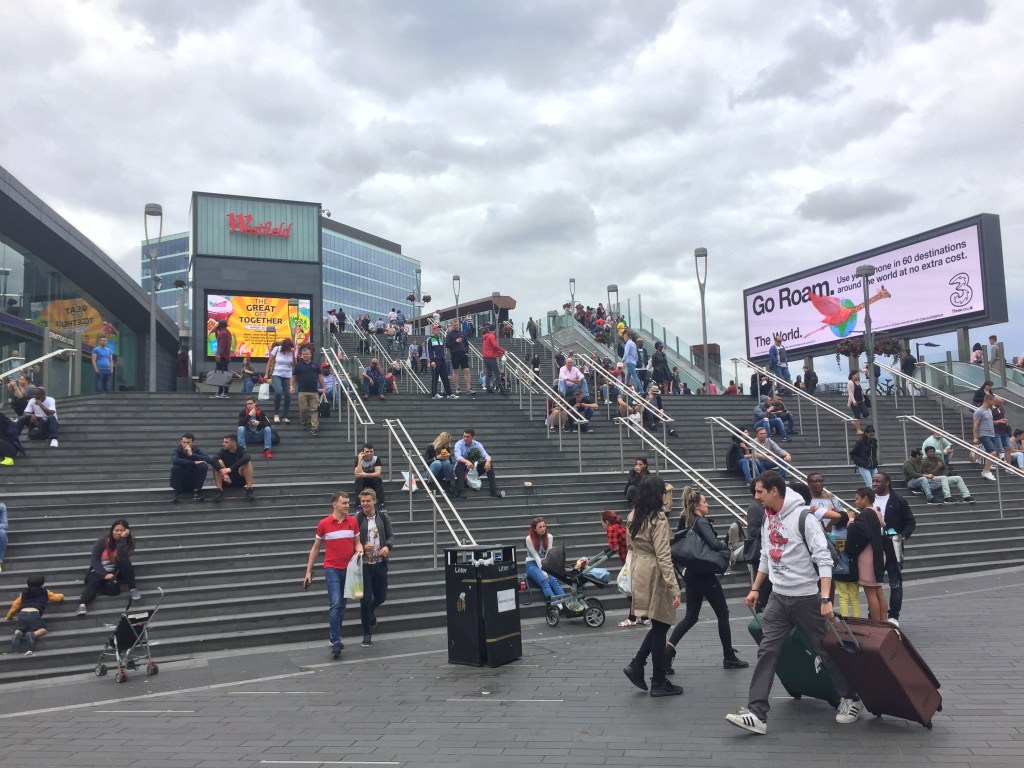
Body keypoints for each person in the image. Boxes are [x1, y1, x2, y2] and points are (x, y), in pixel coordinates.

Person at [725, 471, 862, 734]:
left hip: (807, 598)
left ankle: (851, 697)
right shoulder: (768, 518)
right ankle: (757, 713)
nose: (756, 497)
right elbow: (766, 555)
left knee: (825, 650)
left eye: (760, 492)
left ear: (775, 490)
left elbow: (823, 557)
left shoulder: (803, 517)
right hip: (778, 596)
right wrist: (755, 588)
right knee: (767, 650)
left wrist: (825, 598)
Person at [665, 487, 748, 675]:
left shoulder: (685, 519)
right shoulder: (701, 521)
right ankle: (729, 656)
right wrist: (724, 547)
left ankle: (667, 653)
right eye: (704, 502)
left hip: (692, 573)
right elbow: (713, 543)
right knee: (722, 612)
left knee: (691, 617)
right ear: (696, 506)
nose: (707, 504)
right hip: (704, 574)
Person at [621, 475, 682, 697]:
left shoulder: (633, 515)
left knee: (658, 623)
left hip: (640, 567)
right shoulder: (658, 519)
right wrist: (674, 587)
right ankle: (658, 680)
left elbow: (629, 544)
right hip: (655, 570)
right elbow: (664, 556)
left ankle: (637, 664)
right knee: (662, 623)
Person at [303, 492, 363, 659]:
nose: (347, 505)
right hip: (331, 568)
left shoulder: (353, 522)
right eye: (344, 503)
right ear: (334, 504)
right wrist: (308, 571)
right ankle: (335, 640)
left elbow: (357, 542)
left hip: (349, 568)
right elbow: (316, 547)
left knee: (342, 605)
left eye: (348, 503)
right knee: (335, 603)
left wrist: (359, 550)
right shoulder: (324, 524)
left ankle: (336, 635)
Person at [871, 471, 916, 627]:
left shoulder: (898, 500)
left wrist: (902, 537)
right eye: (873, 481)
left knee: (895, 582)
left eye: (878, 481)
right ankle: (874, 614)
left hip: (892, 545)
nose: (874, 484)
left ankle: (893, 616)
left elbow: (910, 522)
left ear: (887, 483)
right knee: (874, 583)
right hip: (875, 546)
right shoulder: (869, 500)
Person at [76, 519, 141, 616]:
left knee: (124, 561)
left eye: (122, 530)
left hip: (116, 570)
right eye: (116, 530)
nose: (119, 533)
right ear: (112, 530)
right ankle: (82, 604)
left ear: (127, 531)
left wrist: (123, 539)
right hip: (99, 569)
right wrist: (104, 574)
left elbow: (122, 555)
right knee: (94, 581)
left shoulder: (129, 541)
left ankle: (133, 589)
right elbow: (95, 560)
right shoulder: (102, 541)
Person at [355, 488, 394, 647]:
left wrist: (388, 547)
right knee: (364, 600)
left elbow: (391, 536)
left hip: (380, 563)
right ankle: (366, 633)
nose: (364, 504)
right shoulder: (356, 519)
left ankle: (370, 611)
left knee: (381, 597)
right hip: (363, 565)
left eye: (367, 501)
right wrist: (363, 547)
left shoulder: (383, 517)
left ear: (374, 501)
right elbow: (352, 540)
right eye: (362, 501)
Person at [847, 487, 888, 622]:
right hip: (878, 554)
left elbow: (856, 530)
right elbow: (883, 524)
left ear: (865, 498)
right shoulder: (876, 512)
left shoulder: (864, 515)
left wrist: (851, 519)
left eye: (857, 499)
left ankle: (876, 624)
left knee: (870, 593)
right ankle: (884, 622)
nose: (856, 502)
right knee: (878, 591)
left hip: (867, 556)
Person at [7, 574, 64, 655]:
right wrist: (62, 595)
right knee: (43, 630)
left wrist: (9, 616)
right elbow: (56, 598)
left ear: (27, 584)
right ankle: (32, 634)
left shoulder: (23, 593)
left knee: (20, 628)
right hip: (34, 613)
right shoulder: (45, 591)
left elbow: (15, 605)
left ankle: (17, 633)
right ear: (43, 584)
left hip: (22, 614)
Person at [453, 428, 505, 499]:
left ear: (472, 437)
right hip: (461, 469)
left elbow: (486, 455)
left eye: (468, 437)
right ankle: (461, 491)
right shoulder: (459, 444)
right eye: (464, 436)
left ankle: (494, 490)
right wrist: (466, 461)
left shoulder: (477, 444)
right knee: (461, 463)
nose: (465, 438)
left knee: (489, 464)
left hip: (473, 469)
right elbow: (457, 456)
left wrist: (488, 461)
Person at [523, 517, 566, 602]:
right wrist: (544, 572)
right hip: (532, 564)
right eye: (540, 527)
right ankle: (556, 604)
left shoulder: (549, 537)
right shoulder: (529, 539)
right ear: (535, 529)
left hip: (545, 562)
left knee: (554, 580)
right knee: (544, 581)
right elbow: (536, 556)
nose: (543, 529)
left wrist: (547, 570)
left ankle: (568, 603)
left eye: (544, 526)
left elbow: (548, 555)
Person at [291, 346, 326, 436]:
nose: (305, 355)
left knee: (314, 410)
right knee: (303, 409)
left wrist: (324, 387)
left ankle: (314, 428)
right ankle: (304, 422)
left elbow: (320, 376)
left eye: (307, 354)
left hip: (314, 391)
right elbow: (293, 376)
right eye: (303, 354)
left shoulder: (315, 365)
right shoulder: (298, 366)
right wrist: (291, 386)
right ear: (301, 356)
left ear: (310, 355)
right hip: (302, 391)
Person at [170, 432, 215, 502]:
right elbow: (174, 460)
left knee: (203, 466)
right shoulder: (176, 451)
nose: (186, 445)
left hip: (193, 482)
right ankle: (178, 493)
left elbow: (209, 459)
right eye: (184, 442)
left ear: (193, 443)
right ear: (181, 442)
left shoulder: (196, 450)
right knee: (176, 468)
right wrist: (193, 462)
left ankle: (196, 491)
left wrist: (192, 455)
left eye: (188, 443)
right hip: (180, 482)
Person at [830, 510, 858, 618]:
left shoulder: (831, 533)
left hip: (838, 569)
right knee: (854, 597)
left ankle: (845, 619)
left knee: (842, 596)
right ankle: (857, 619)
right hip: (852, 568)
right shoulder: (850, 532)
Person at [212, 434, 255, 502]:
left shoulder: (240, 449)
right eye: (223, 442)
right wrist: (224, 474)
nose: (223, 444)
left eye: (226, 442)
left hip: (239, 480)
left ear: (233, 443)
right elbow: (213, 459)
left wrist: (230, 469)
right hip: (226, 481)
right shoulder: (222, 451)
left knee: (247, 463)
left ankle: (249, 490)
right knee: (218, 462)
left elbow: (247, 457)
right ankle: (219, 491)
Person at [265, 338, 295, 423]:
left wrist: (293, 353)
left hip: (288, 376)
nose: (287, 349)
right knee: (278, 392)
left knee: (288, 395)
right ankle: (276, 414)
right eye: (286, 347)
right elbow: (269, 361)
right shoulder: (277, 349)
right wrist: (266, 374)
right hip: (277, 374)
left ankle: (285, 416)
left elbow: (295, 364)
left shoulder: (292, 351)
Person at [972, 393, 999, 481]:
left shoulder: (989, 410)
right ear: (988, 400)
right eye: (993, 401)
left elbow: (990, 422)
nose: (994, 403)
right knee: (993, 452)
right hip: (984, 434)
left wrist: (999, 421)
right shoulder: (979, 411)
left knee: (993, 453)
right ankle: (985, 471)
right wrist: (975, 437)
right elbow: (975, 425)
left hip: (992, 434)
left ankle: (986, 468)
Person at [425, 324, 456, 399]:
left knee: (445, 377)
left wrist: (444, 355)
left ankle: (449, 394)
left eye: (439, 330)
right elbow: (428, 351)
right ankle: (434, 394)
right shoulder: (430, 339)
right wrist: (431, 361)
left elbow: (441, 350)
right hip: (435, 361)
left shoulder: (441, 339)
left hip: (442, 361)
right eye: (437, 330)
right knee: (435, 378)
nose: (439, 331)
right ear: (433, 331)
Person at [353, 443, 386, 508]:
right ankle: (359, 505)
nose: (369, 453)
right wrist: (359, 460)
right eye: (367, 452)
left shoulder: (376, 459)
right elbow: (357, 474)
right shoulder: (359, 459)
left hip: (372, 480)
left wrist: (365, 474)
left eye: (371, 451)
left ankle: (381, 503)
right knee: (359, 480)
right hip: (363, 481)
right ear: (363, 452)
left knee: (378, 479)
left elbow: (378, 473)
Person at [445, 321, 473, 395]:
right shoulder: (449, 334)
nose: (456, 326)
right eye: (454, 325)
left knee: (467, 370)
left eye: (457, 324)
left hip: (463, 354)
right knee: (455, 371)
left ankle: (468, 388)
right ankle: (457, 388)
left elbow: (466, 343)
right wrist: (455, 341)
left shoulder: (462, 333)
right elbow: (447, 345)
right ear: (452, 326)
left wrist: (466, 351)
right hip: (454, 354)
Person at [481, 324, 509, 395]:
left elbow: (490, 347)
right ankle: (501, 389)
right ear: (495, 329)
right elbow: (494, 345)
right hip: (491, 358)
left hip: (485, 357)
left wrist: (499, 352)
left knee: (489, 373)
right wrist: (503, 351)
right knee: (496, 372)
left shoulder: (486, 336)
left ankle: (488, 388)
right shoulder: (491, 336)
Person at [210, 319, 232, 398]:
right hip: (226, 357)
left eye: (218, 324)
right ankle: (223, 392)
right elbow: (218, 340)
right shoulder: (227, 332)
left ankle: (222, 393)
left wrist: (218, 356)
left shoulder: (223, 333)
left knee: (221, 375)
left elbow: (221, 346)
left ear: (220, 325)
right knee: (224, 374)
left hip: (222, 357)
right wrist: (216, 330)